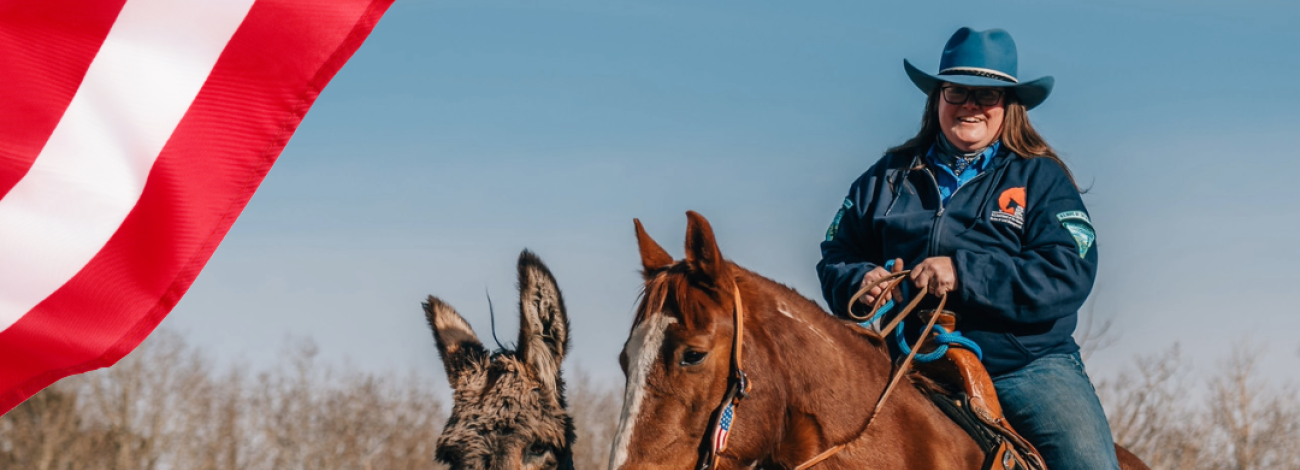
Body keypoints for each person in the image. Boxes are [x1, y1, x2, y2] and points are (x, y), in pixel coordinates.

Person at [816, 27, 1118, 469]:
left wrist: (963, 273)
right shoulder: (886, 178)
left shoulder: (1041, 178)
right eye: (958, 92)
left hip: (1025, 365)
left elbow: (1068, 271)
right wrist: (859, 281)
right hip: (904, 362)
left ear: (1007, 107)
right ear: (937, 98)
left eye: (987, 95)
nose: (970, 106)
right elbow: (837, 252)